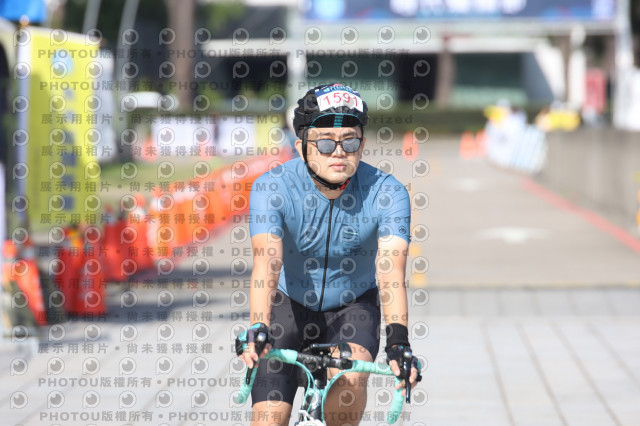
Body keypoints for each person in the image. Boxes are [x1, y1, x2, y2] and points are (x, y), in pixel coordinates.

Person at [236, 83, 421, 426]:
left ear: (362, 144)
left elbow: (391, 273)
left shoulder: (388, 192)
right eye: (324, 142)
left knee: (349, 378)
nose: (338, 152)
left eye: (350, 141)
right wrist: (258, 325)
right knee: (269, 418)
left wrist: (399, 341)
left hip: (352, 307)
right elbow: (267, 263)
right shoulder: (271, 187)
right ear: (301, 147)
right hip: (288, 305)